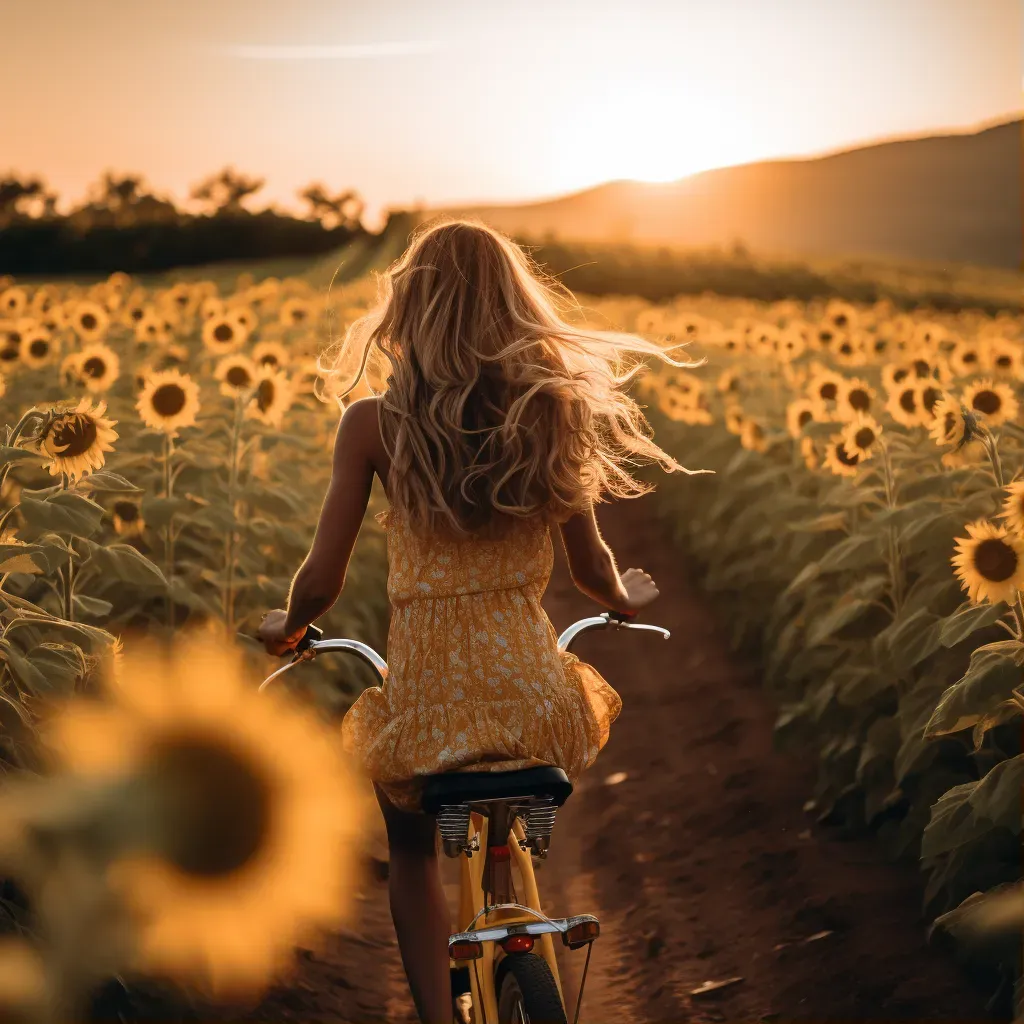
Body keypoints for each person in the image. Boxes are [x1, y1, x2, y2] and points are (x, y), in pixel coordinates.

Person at [258, 219, 699, 1023]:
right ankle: (515, 922)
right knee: (510, 807)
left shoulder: (372, 425)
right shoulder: (549, 412)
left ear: (409, 311)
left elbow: (321, 581)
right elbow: (593, 570)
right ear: (512, 307)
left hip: (429, 690)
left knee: (412, 845)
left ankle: (435, 1013)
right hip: (529, 688)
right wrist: (625, 599)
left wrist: (287, 624)